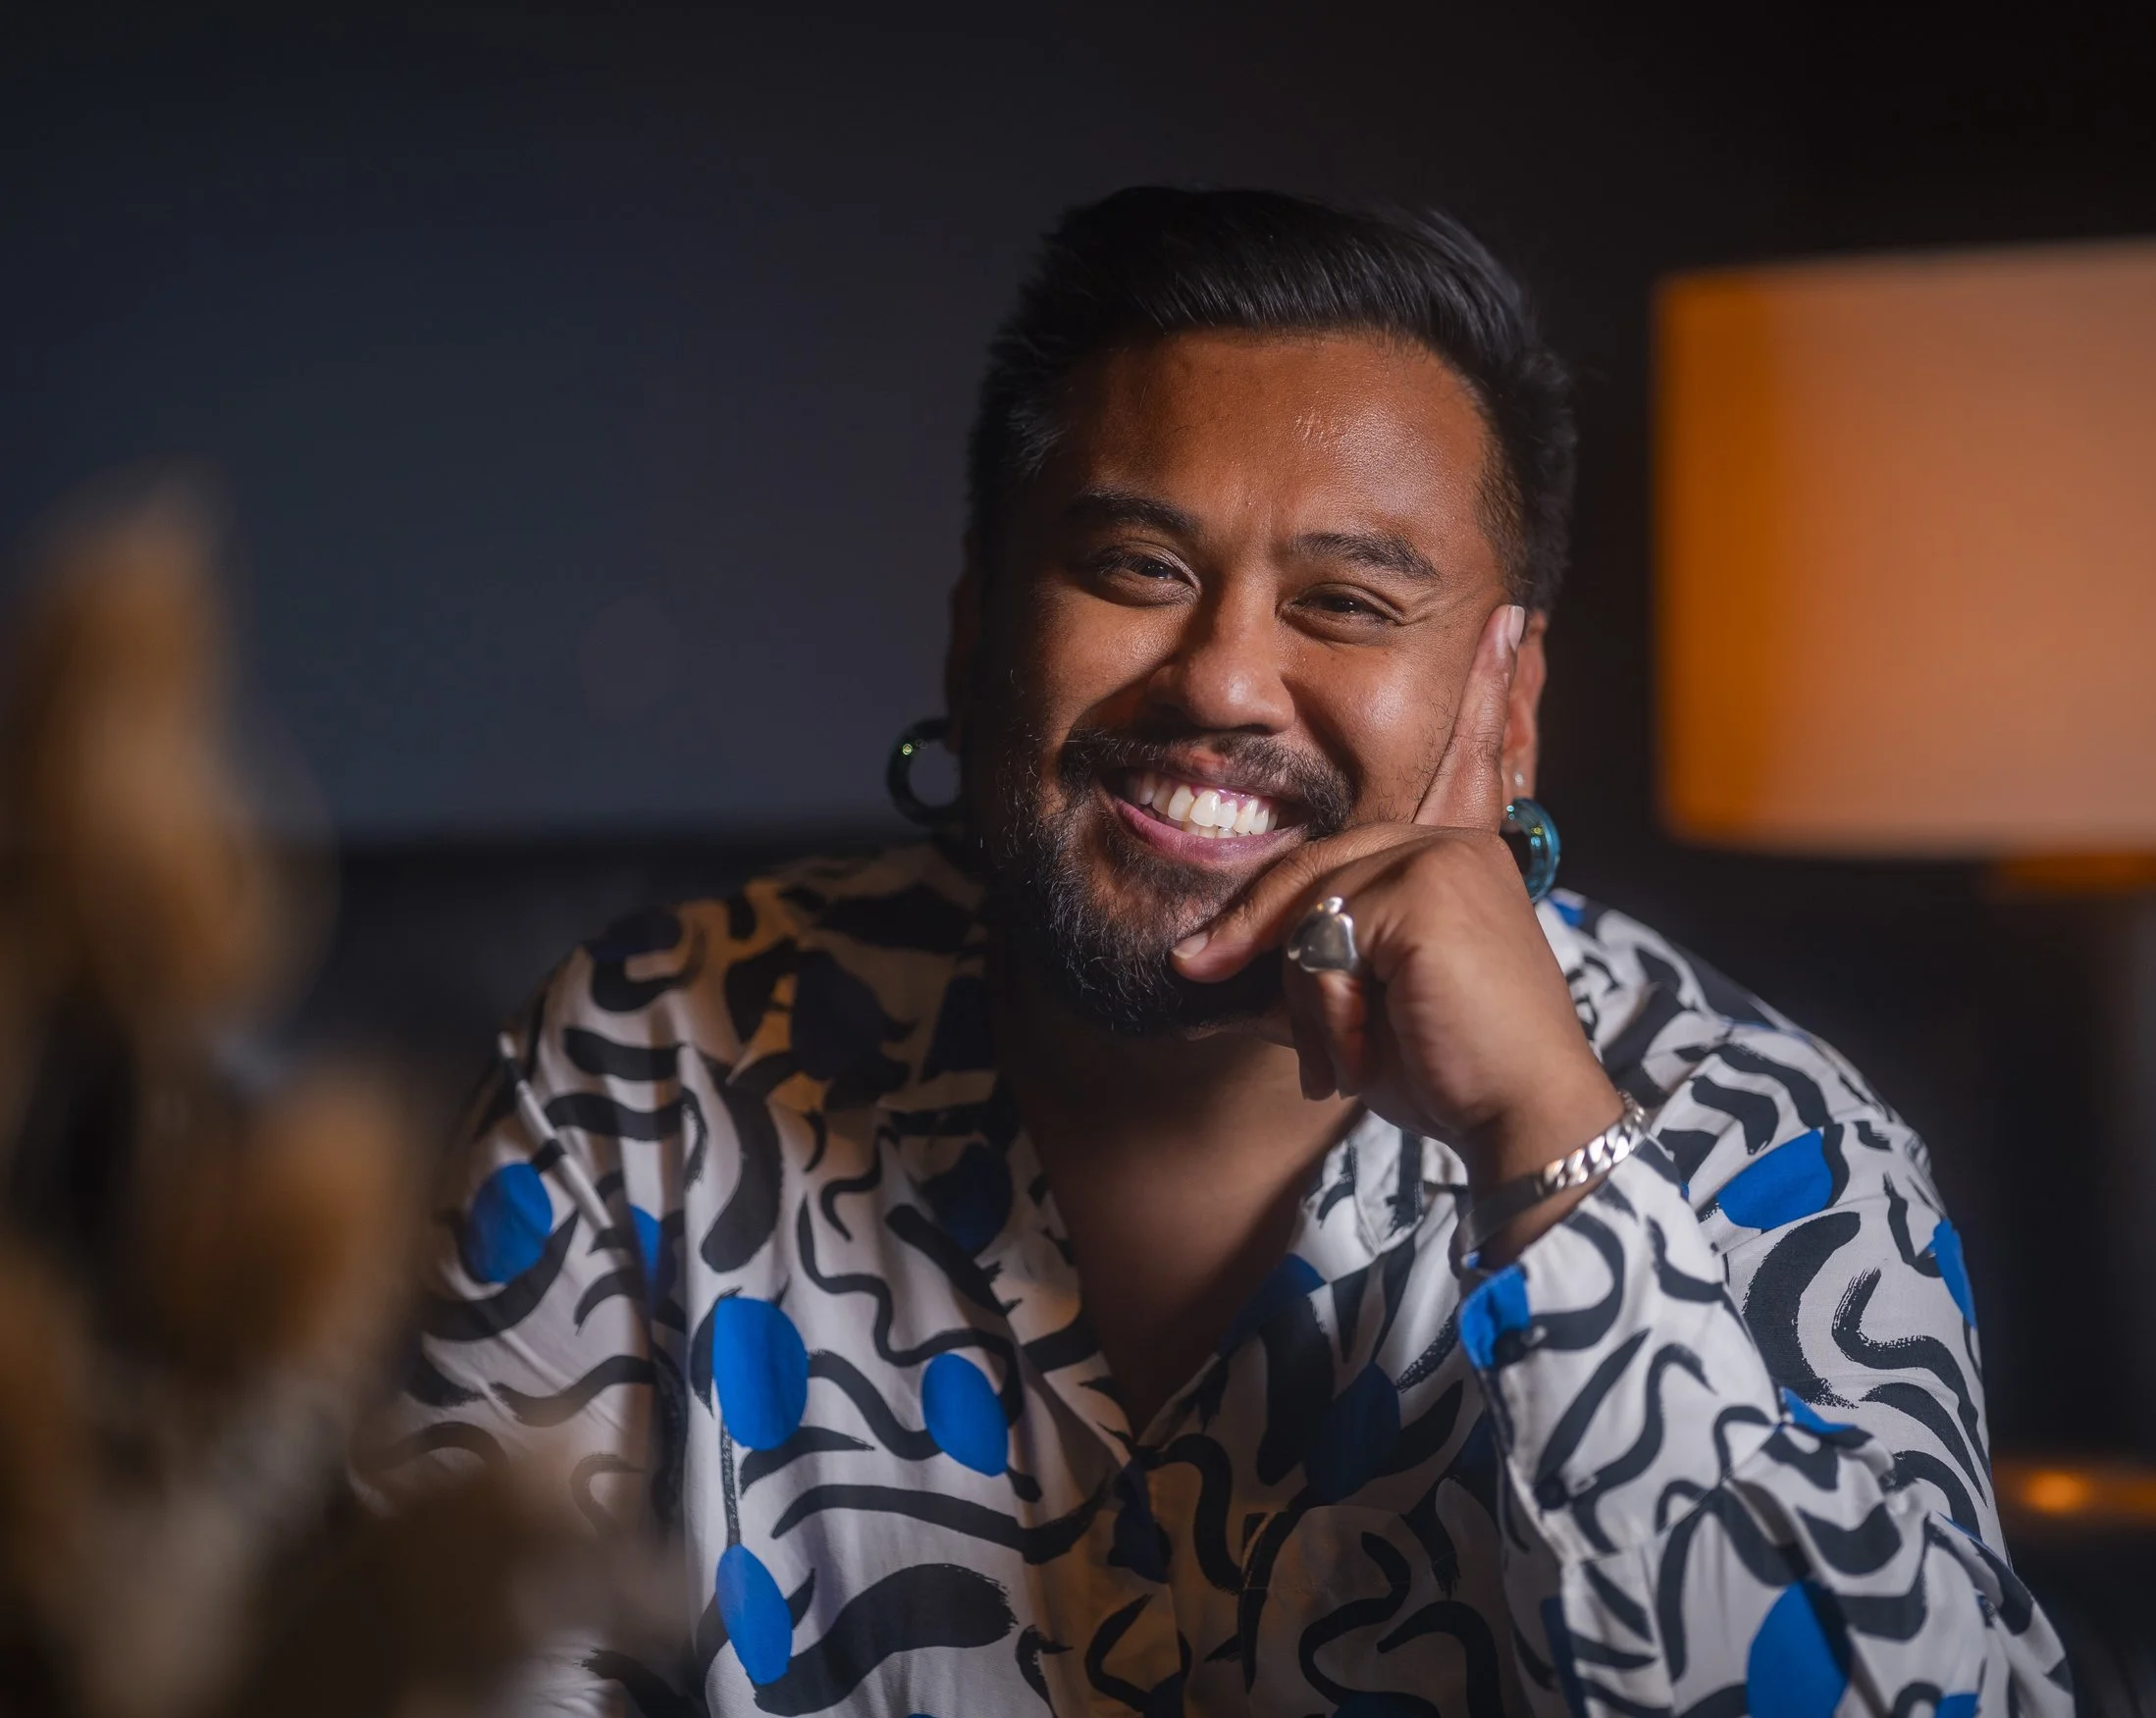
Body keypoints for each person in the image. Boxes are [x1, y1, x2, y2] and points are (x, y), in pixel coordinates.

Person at [369, 187, 2070, 1716]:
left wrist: (1550, 1147)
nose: (1224, 680)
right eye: (1135, 565)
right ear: (977, 631)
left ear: (1512, 702)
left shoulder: (1772, 1151)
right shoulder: (650, 1063)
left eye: (1347, 601)